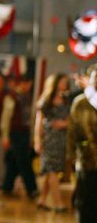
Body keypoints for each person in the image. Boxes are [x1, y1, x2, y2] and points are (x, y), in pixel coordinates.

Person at [34, 73, 71, 212]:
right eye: (62, 82)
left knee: (52, 171)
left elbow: (71, 120)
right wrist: (37, 140)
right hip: (48, 139)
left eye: (66, 82)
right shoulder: (46, 101)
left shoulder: (67, 100)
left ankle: (42, 200)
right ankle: (58, 203)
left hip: (61, 139)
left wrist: (64, 124)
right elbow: (38, 123)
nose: (64, 85)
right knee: (52, 170)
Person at [67, 64, 97, 223]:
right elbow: (72, 131)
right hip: (87, 159)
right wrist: (70, 155)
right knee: (85, 201)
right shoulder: (80, 103)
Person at [1, 77, 39, 199]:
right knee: (24, 161)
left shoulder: (27, 97)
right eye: (26, 83)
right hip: (15, 133)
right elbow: (6, 118)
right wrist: (5, 136)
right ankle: (32, 189)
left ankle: (7, 187)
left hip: (25, 133)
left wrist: (32, 137)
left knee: (14, 160)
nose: (28, 86)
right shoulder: (12, 96)